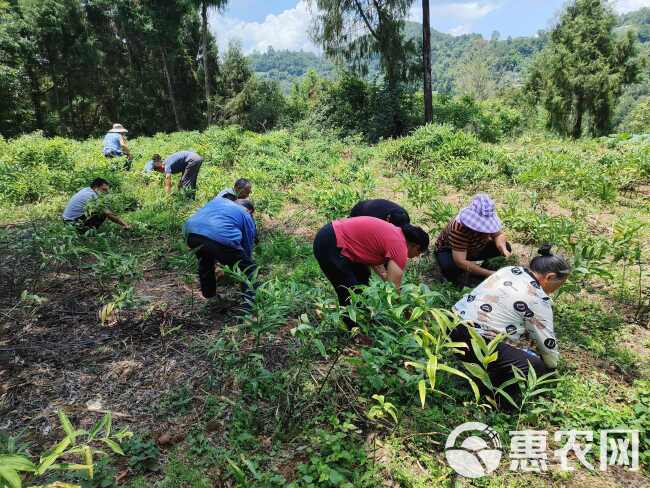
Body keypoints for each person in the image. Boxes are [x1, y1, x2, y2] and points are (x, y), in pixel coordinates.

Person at [450, 244, 571, 403]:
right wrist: (552, 368)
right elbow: (547, 344)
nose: (555, 290)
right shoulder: (538, 299)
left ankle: (476, 372)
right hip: (477, 341)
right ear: (549, 277)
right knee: (536, 366)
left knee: (514, 344)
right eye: (559, 284)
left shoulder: (509, 270)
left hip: (452, 325)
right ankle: (497, 399)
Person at [313, 216, 429, 330]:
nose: (415, 257)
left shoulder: (396, 233)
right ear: (416, 246)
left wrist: (385, 276)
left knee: (363, 278)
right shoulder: (400, 247)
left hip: (334, 236)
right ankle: (353, 331)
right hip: (331, 243)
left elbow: (373, 254)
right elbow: (393, 288)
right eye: (418, 253)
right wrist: (407, 311)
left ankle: (364, 317)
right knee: (350, 291)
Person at [184, 197, 256, 301]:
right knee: (249, 269)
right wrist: (245, 261)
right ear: (248, 210)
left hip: (191, 233)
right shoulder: (245, 214)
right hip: (219, 236)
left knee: (206, 261)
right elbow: (247, 243)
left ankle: (210, 296)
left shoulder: (218, 201)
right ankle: (250, 308)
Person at [434, 193, 512, 288]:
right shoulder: (458, 228)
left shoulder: (487, 218)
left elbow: (499, 235)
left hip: (474, 248)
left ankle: (479, 270)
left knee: (507, 247)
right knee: (450, 268)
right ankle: (478, 273)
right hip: (451, 250)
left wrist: (502, 248)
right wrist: (489, 273)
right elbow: (460, 261)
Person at [62, 178, 130, 231]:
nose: (106, 192)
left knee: (99, 211)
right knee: (102, 213)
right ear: (96, 187)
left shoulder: (86, 190)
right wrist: (124, 224)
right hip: (72, 223)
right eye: (104, 190)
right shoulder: (92, 196)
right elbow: (108, 214)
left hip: (66, 221)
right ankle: (88, 234)